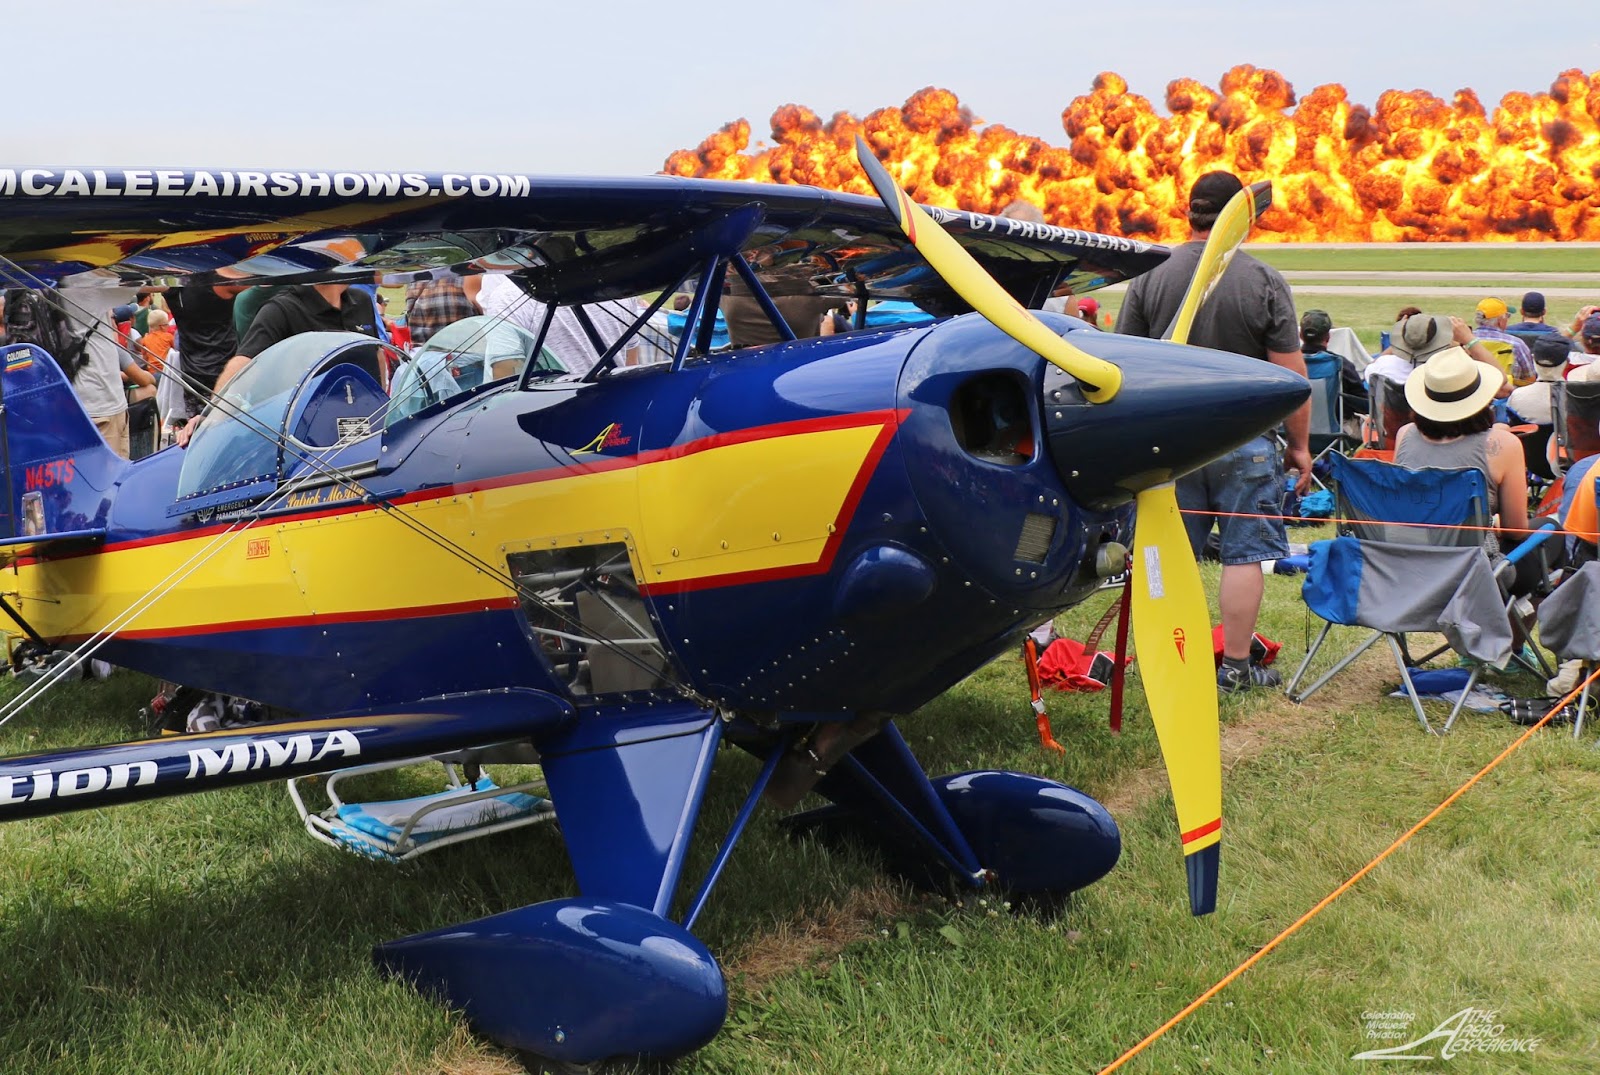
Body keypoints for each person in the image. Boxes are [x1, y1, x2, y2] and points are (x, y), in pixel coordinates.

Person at [1114, 170, 1310, 693]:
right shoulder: (1263, 281)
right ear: (1240, 218)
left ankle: (1162, 662)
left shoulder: (1150, 276)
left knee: (1162, 558)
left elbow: (1122, 364)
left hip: (1169, 443)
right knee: (1244, 552)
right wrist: (1300, 447)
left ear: (1190, 212)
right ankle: (1237, 667)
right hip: (1244, 440)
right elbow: (1292, 377)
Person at [163, 280, 248, 413]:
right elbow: (264, 283)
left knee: (201, 427)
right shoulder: (219, 281)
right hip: (225, 371)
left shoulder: (170, 285)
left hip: (192, 375)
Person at [1471, 297, 1535, 386]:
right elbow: (1530, 380)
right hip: (1507, 396)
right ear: (1501, 321)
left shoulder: (1466, 342)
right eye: (1507, 316)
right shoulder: (1516, 344)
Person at [404, 273, 476, 346]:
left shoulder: (416, 279)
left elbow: (410, 312)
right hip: (461, 350)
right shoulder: (468, 277)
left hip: (421, 351)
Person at [138, 308, 175, 375]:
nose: (168, 326)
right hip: (167, 371)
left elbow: (145, 358)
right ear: (162, 326)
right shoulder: (168, 337)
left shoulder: (145, 339)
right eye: (167, 324)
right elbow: (176, 351)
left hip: (152, 372)